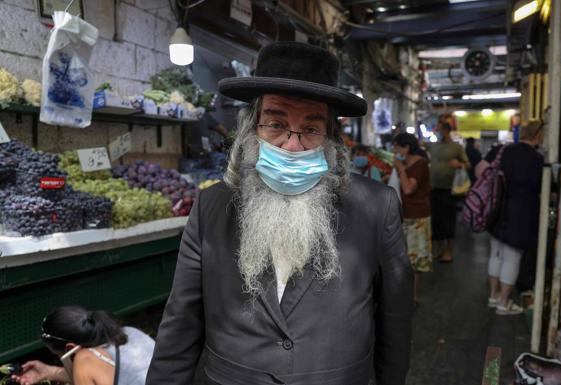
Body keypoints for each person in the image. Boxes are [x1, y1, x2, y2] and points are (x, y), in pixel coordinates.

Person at [146, 42, 413, 385]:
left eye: (311, 129)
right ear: (250, 129)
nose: (292, 145)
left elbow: (395, 322)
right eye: (275, 123)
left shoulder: (378, 206)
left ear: (331, 138)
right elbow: (180, 323)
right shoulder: (211, 206)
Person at [486, 121, 544, 315]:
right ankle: (504, 303)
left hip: (500, 207)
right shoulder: (536, 159)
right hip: (521, 213)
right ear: (538, 135)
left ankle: (493, 296)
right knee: (512, 258)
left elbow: (483, 171)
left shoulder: (506, 151)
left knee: (496, 254)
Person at [12, 306, 155, 385]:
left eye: (57, 354)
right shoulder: (129, 332)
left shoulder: (85, 359)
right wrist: (49, 372)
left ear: (69, 348)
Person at [393, 133, 432, 305]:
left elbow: (408, 188)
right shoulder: (407, 163)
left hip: (417, 216)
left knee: (415, 259)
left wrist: (400, 169)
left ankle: (413, 297)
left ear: (406, 147)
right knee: (403, 258)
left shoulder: (420, 164)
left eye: (397, 147)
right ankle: (402, 294)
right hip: (404, 214)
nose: (395, 150)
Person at [427, 121, 470, 263]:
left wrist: (460, 165)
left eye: (438, 130)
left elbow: (468, 164)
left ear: (446, 130)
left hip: (449, 190)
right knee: (436, 222)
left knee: (448, 221)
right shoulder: (434, 146)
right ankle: (439, 249)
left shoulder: (456, 147)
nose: (436, 132)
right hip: (434, 188)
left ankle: (449, 251)